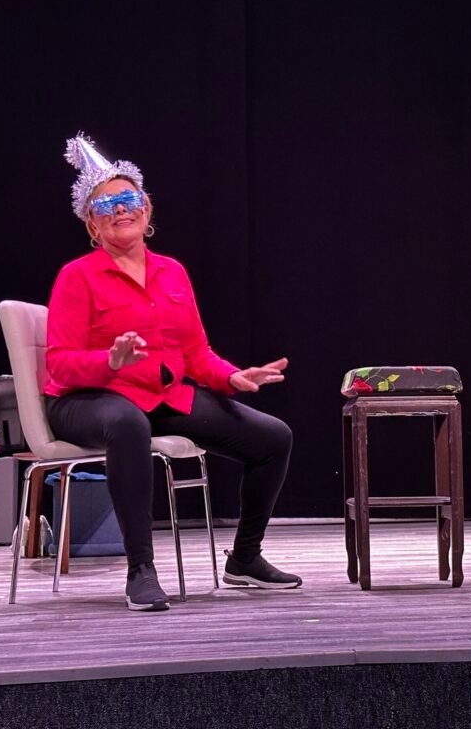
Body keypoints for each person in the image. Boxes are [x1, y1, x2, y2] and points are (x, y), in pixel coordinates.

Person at [45, 132, 300, 611]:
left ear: (146, 209)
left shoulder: (172, 272)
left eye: (128, 200)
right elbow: (59, 363)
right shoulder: (77, 276)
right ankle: (141, 569)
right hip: (86, 399)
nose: (120, 210)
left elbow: (196, 352)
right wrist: (110, 361)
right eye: (106, 205)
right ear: (91, 223)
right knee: (127, 423)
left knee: (273, 437)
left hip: (158, 396)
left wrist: (232, 378)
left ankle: (245, 559)